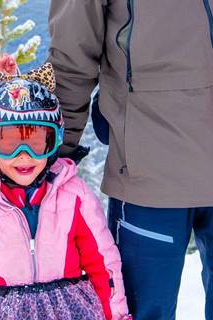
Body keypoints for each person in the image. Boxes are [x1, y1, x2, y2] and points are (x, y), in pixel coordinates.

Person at [47, 1, 213, 319]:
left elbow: (70, 62)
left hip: (144, 172)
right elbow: (71, 61)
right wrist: (53, 156)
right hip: (147, 174)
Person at [0, 63, 131, 320]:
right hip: (1, 312)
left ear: (53, 143)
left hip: (70, 310)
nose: (24, 156)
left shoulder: (74, 196)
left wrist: (116, 315)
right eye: (7, 143)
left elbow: (103, 262)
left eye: (36, 142)